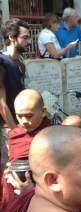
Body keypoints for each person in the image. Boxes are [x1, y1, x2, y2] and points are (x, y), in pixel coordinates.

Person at [1, 89, 51, 205]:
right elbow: (13, 161)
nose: (24, 121)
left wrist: (31, 189)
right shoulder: (15, 135)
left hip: (42, 195)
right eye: (19, 116)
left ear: (43, 111)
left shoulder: (51, 135)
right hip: (14, 190)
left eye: (29, 116)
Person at [0, 18, 31, 201]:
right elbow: (1, 103)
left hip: (20, 125)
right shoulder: (2, 63)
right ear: (12, 38)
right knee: (10, 170)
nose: (28, 41)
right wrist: (14, 131)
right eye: (25, 38)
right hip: (6, 128)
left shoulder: (21, 64)